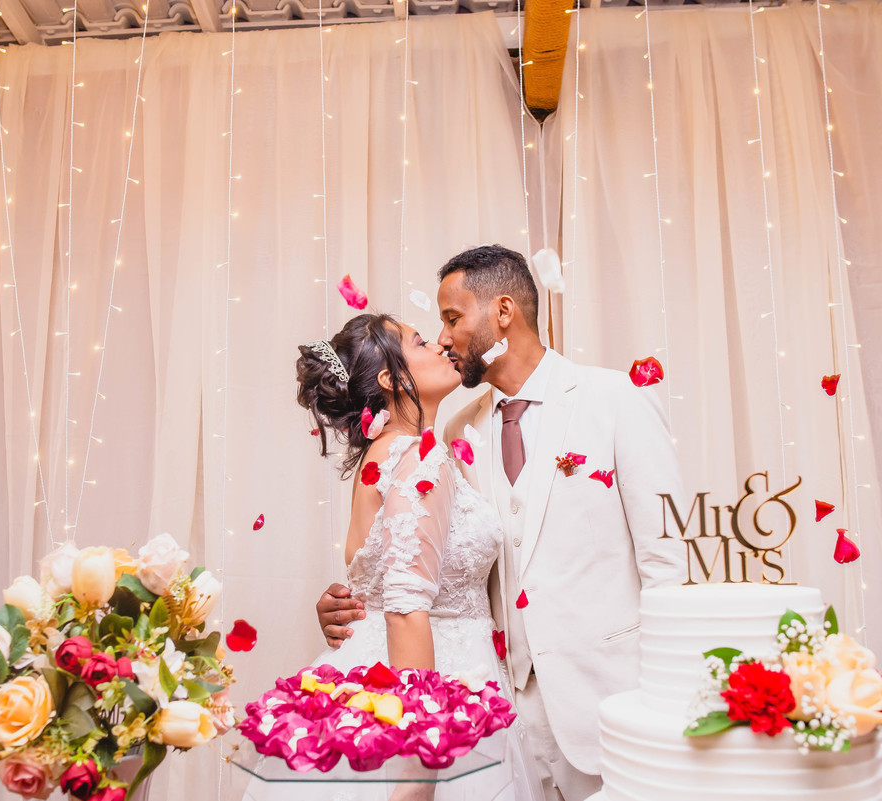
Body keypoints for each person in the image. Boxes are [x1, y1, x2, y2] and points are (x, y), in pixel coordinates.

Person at [317, 245, 686, 801]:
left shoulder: (615, 399)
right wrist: (355, 603)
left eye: (452, 318)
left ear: (504, 312)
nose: (443, 338)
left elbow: (666, 565)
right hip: (503, 717)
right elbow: (424, 558)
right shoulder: (456, 432)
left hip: (611, 705)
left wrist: (667, 697)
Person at [286, 312, 544, 800]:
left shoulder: (382, 455)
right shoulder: (419, 455)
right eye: (421, 341)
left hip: (382, 671)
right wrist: (417, 766)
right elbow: (404, 606)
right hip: (432, 683)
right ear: (390, 379)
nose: (441, 346)